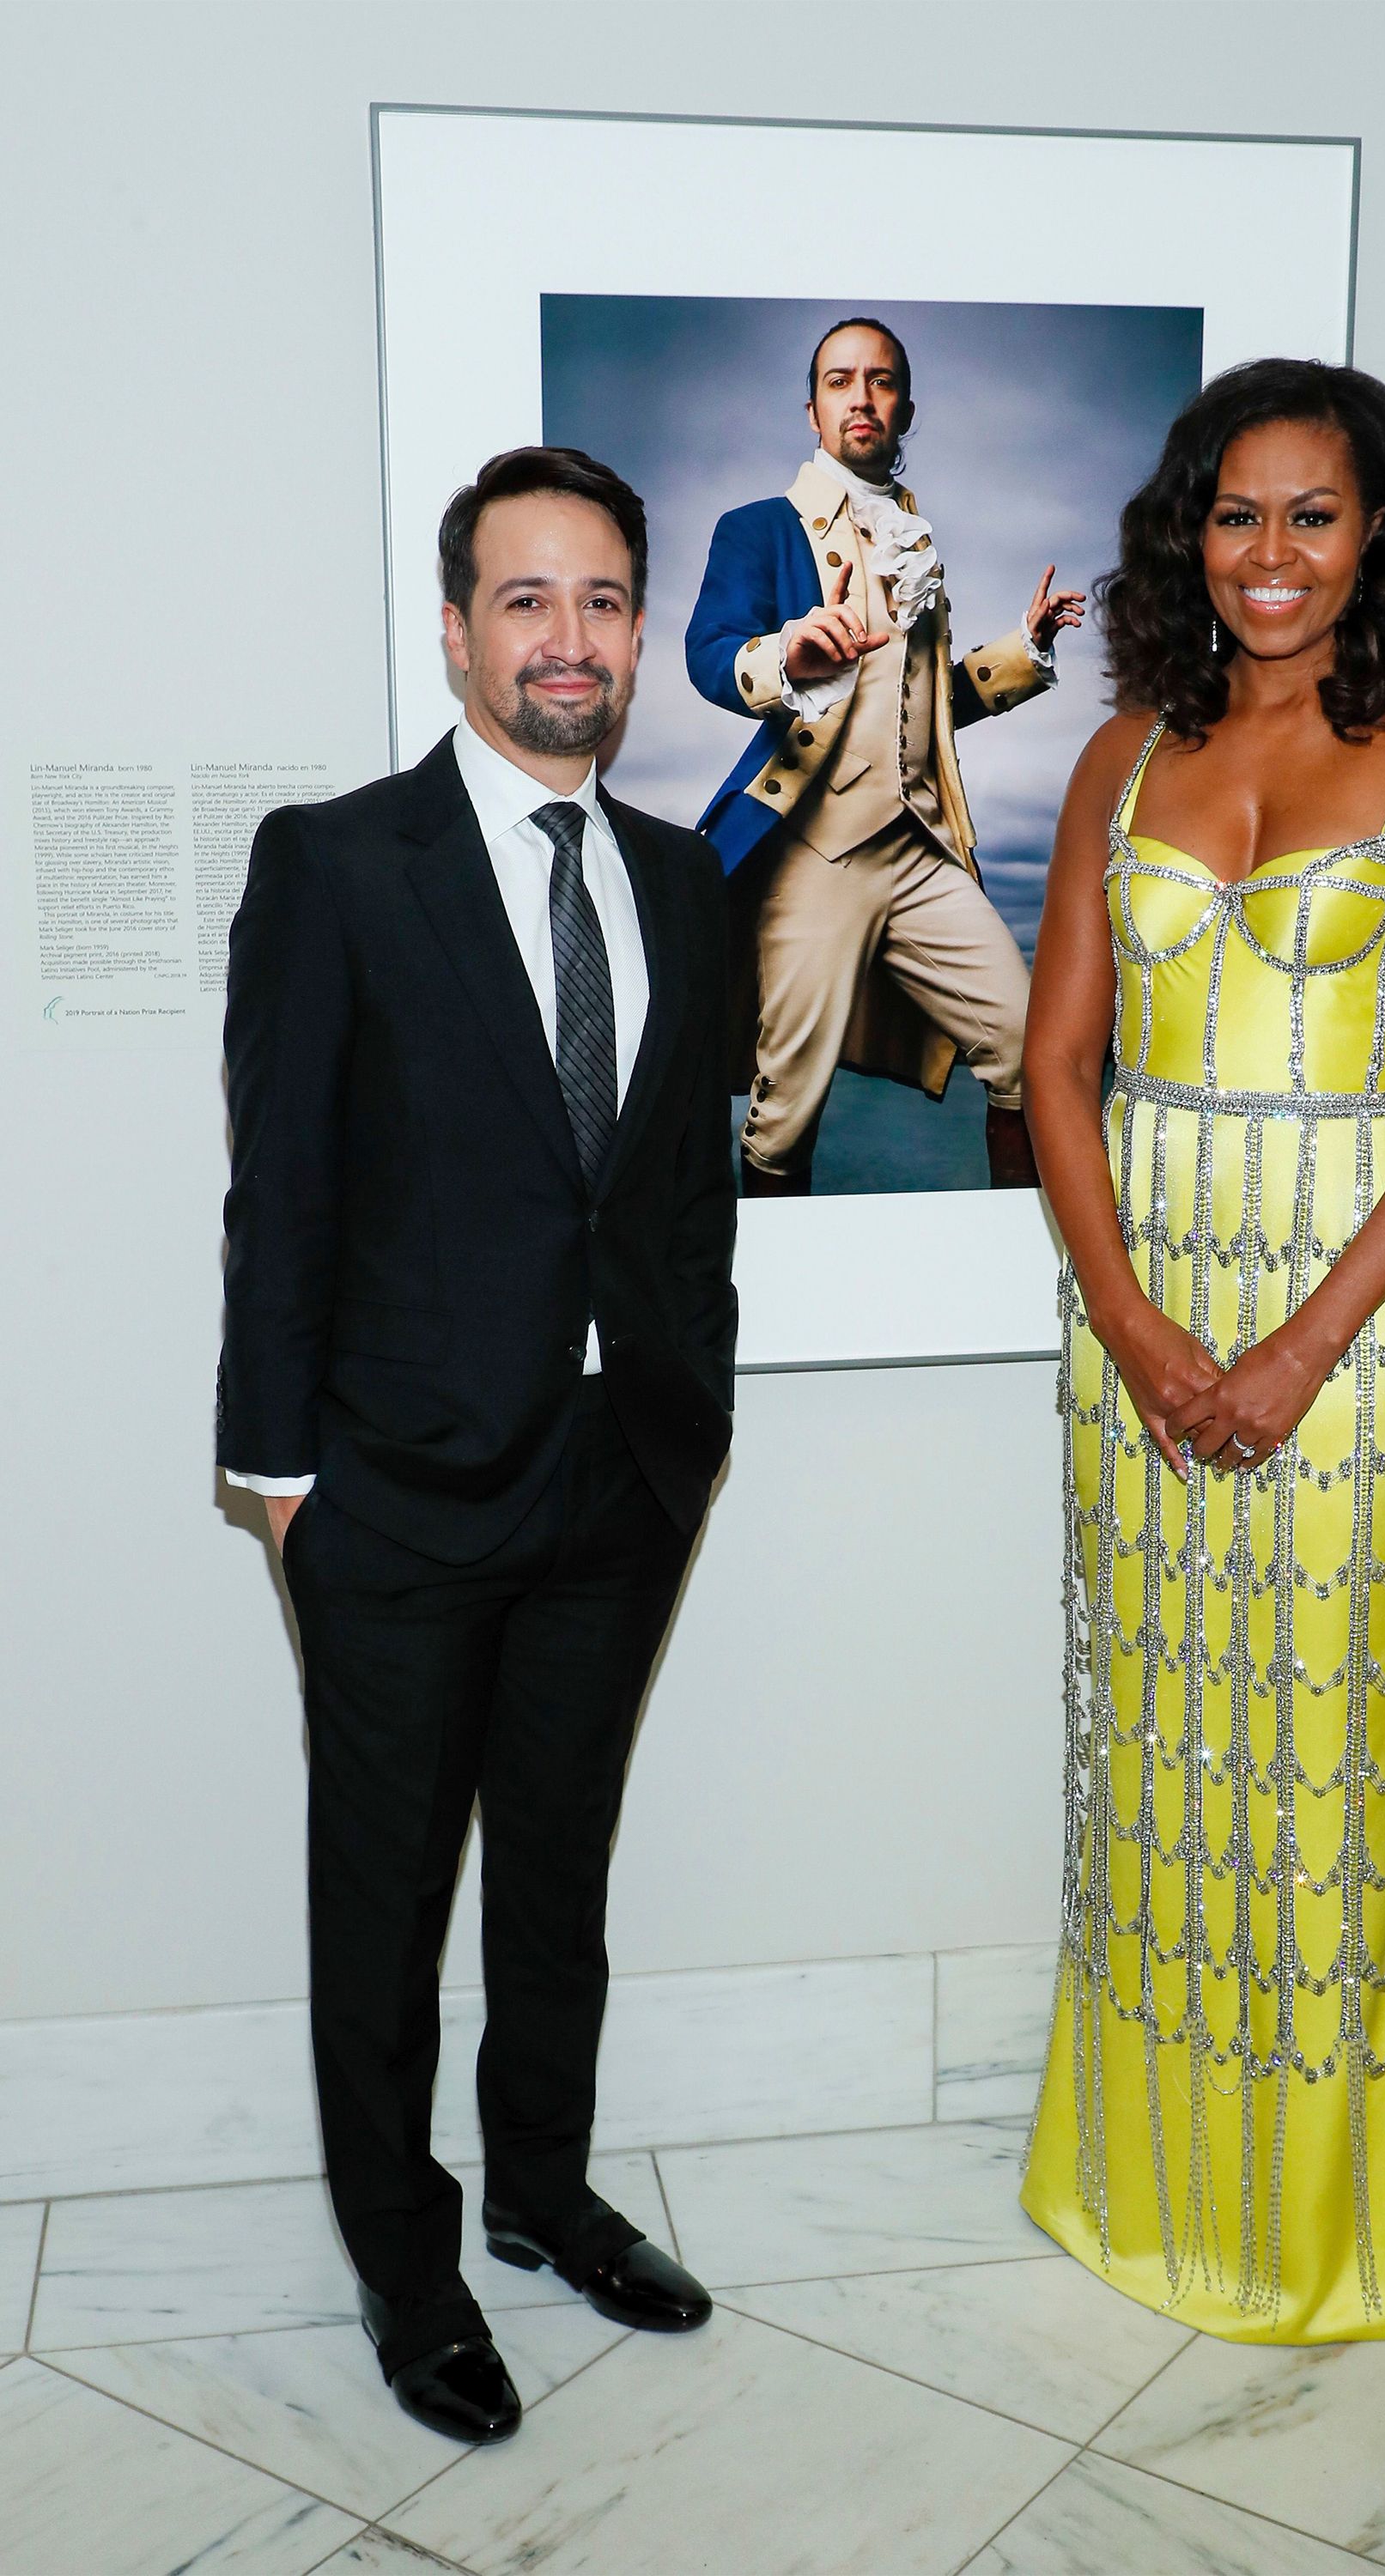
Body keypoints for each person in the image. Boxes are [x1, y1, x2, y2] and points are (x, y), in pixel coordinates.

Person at [1018, 360, 1385, 2342]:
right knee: (1156, 1755)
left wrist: (1299, 1347)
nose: (1265, 555)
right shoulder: (1124, 757)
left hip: (1369, 1332)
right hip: (1134, 1323)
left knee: (1323, 1759)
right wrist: (1139, 1322)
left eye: (1309, 515)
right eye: (1232, 514)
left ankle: (1304, 2228)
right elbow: (1051, 1064)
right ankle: (1132, 2177)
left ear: (1377, 531)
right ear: (1188, 531)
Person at [217, 447, 737, 2440]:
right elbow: (287, 1188)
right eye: (527, 599)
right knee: (386, 1895)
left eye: (602, 598)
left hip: (621, 1476)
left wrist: (685, 1410)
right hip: (396, 1492)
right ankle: (406, 2259)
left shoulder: (681, 879)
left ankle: (541, 2188)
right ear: (455, 630)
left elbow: (678, 1186)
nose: (570, 638)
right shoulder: (341, 863)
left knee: (562, 1868)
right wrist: (275, 1471)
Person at [685, 315, 1084, 1194]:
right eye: (839, 380)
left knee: (1022, 1045)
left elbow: (926, 709)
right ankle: (776, 1303)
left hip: (919, 847)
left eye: (879, 380)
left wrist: (1024, 649)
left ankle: (1008, 1265)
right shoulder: (757, 527)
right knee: (783, 1111)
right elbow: (707, 652)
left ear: (903, 407)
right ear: (811, 408)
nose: (859, 397)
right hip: (813, 851)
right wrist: (787, 653)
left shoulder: (915, 539)